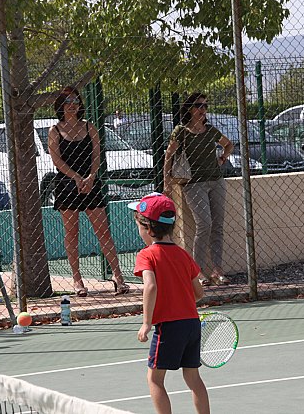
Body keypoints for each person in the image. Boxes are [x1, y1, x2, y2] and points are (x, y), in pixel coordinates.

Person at [129, 192, 210, 414]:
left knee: (154, 379)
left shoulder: (147, 255)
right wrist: (180, 301)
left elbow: (151, 286)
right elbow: (199, 292)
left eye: (139, 225)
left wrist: (146, 323)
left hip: (169, 327)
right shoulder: (184, 255)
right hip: (192, 324)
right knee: (193, 377)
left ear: (149, 229)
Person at [49, 86, 130, 297]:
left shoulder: (89, 127)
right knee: (72, 233)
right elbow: (56, 160)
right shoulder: (54, 131)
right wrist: (75, 177)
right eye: (67, 101)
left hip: (91, 183)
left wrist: (91, 177)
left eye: (75, 101)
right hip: (67, 185)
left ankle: (118, 277)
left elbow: (97, 155)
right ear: (60, 105)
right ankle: (78, 281)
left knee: (103, 232)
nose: (72, 105)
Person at [163, 92, 234, 286]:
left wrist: (222, 158)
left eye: (205, 106)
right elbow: (168, 156)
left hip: (216, 180)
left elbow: (229, 145)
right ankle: (197, 271)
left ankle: (217, 271)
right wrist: (166, 182)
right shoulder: (181, 131)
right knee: (205, 224)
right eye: (199, 106)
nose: (203, 110)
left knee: (218, 226)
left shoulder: (210, 130)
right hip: (193, 184)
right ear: (189, 109)